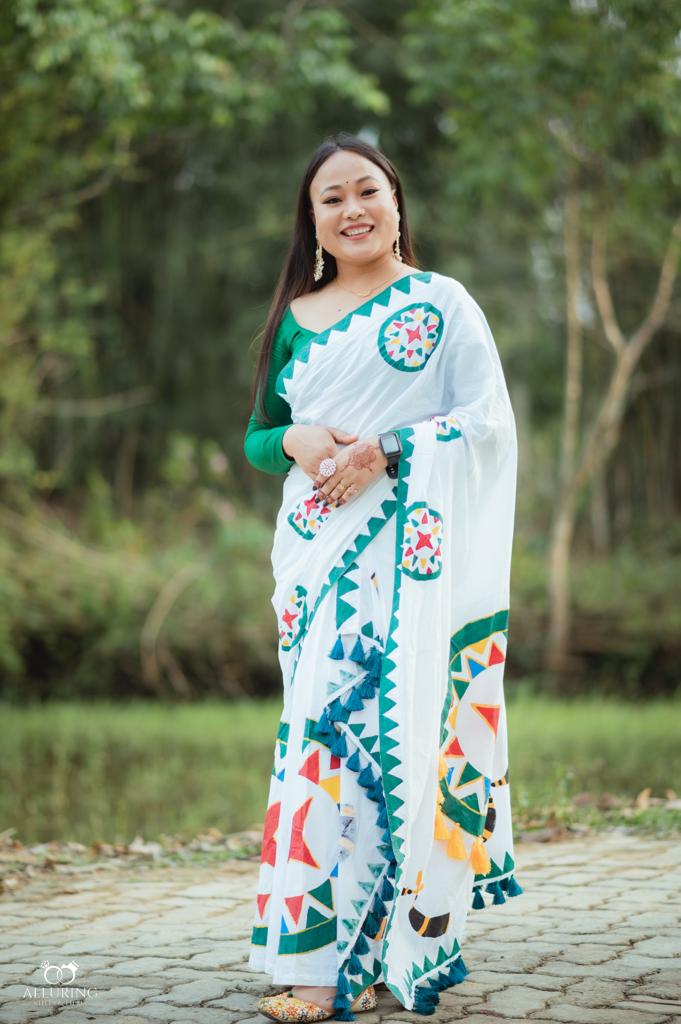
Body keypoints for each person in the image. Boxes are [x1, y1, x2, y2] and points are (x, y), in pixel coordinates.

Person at [243, 132, 523, 1023]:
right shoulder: (297, 314)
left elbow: (486, 423)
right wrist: (292, 438)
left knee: (398, 735)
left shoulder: (441, 305)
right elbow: (257, 434)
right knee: (318, 738)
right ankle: (320, 951)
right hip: (315, 560)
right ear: (313, 223)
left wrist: (393, 448)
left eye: (367, 191)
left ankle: (379, 954)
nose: (352, 208)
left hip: (412, 564)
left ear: (396, 204)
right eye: (331, 199)